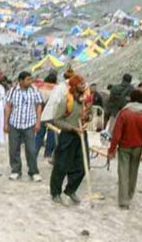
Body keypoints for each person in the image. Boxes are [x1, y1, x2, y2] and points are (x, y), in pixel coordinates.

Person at [50, 74, 90, 205]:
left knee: (83, 166)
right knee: (61, 166)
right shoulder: (66, 100)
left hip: (81, 136)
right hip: (68, 136)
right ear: (74, 85)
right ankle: (55, 193)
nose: (83, 86)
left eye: (84, 83)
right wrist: (72, 128)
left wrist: (86, 121)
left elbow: (86, 117)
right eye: (81, 83)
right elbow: (57, 120)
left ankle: (71, 190)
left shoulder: (85, 100)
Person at [108, 89, 142, 208]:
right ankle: (130, 194)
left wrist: (111, 150)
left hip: (124, 147)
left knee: (123, 173)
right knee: (133, 173)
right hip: (138, 148)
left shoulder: (125, 113)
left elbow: (117, 133)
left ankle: (123, 201)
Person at [4, 71, 43, 182]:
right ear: (21, 81)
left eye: (31, 79)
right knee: (14, 149)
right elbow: (8, 106)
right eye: (28, 79)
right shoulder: (12, 91)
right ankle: (16, 170)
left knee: (31, 149)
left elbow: (39, 105)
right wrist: (6, 123)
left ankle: (33, 171)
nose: (30, 81)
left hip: (29, 124)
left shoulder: (34, 90)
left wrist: (38, 122)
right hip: (14, 123)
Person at [35, 71, 58, 160]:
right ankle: (48, 153)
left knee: (39, 134)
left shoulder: (41, 88)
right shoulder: (56, 89)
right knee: (51, 133)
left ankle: (35, 151)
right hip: (52, 113)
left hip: (42, 113)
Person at [104, 73, 134, 139]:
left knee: (111, 130)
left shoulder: (114, 88)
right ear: (130, 80)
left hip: (114, 111)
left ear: (123, 79)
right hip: (126, 112)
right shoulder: (132, 89)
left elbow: (110, 100)